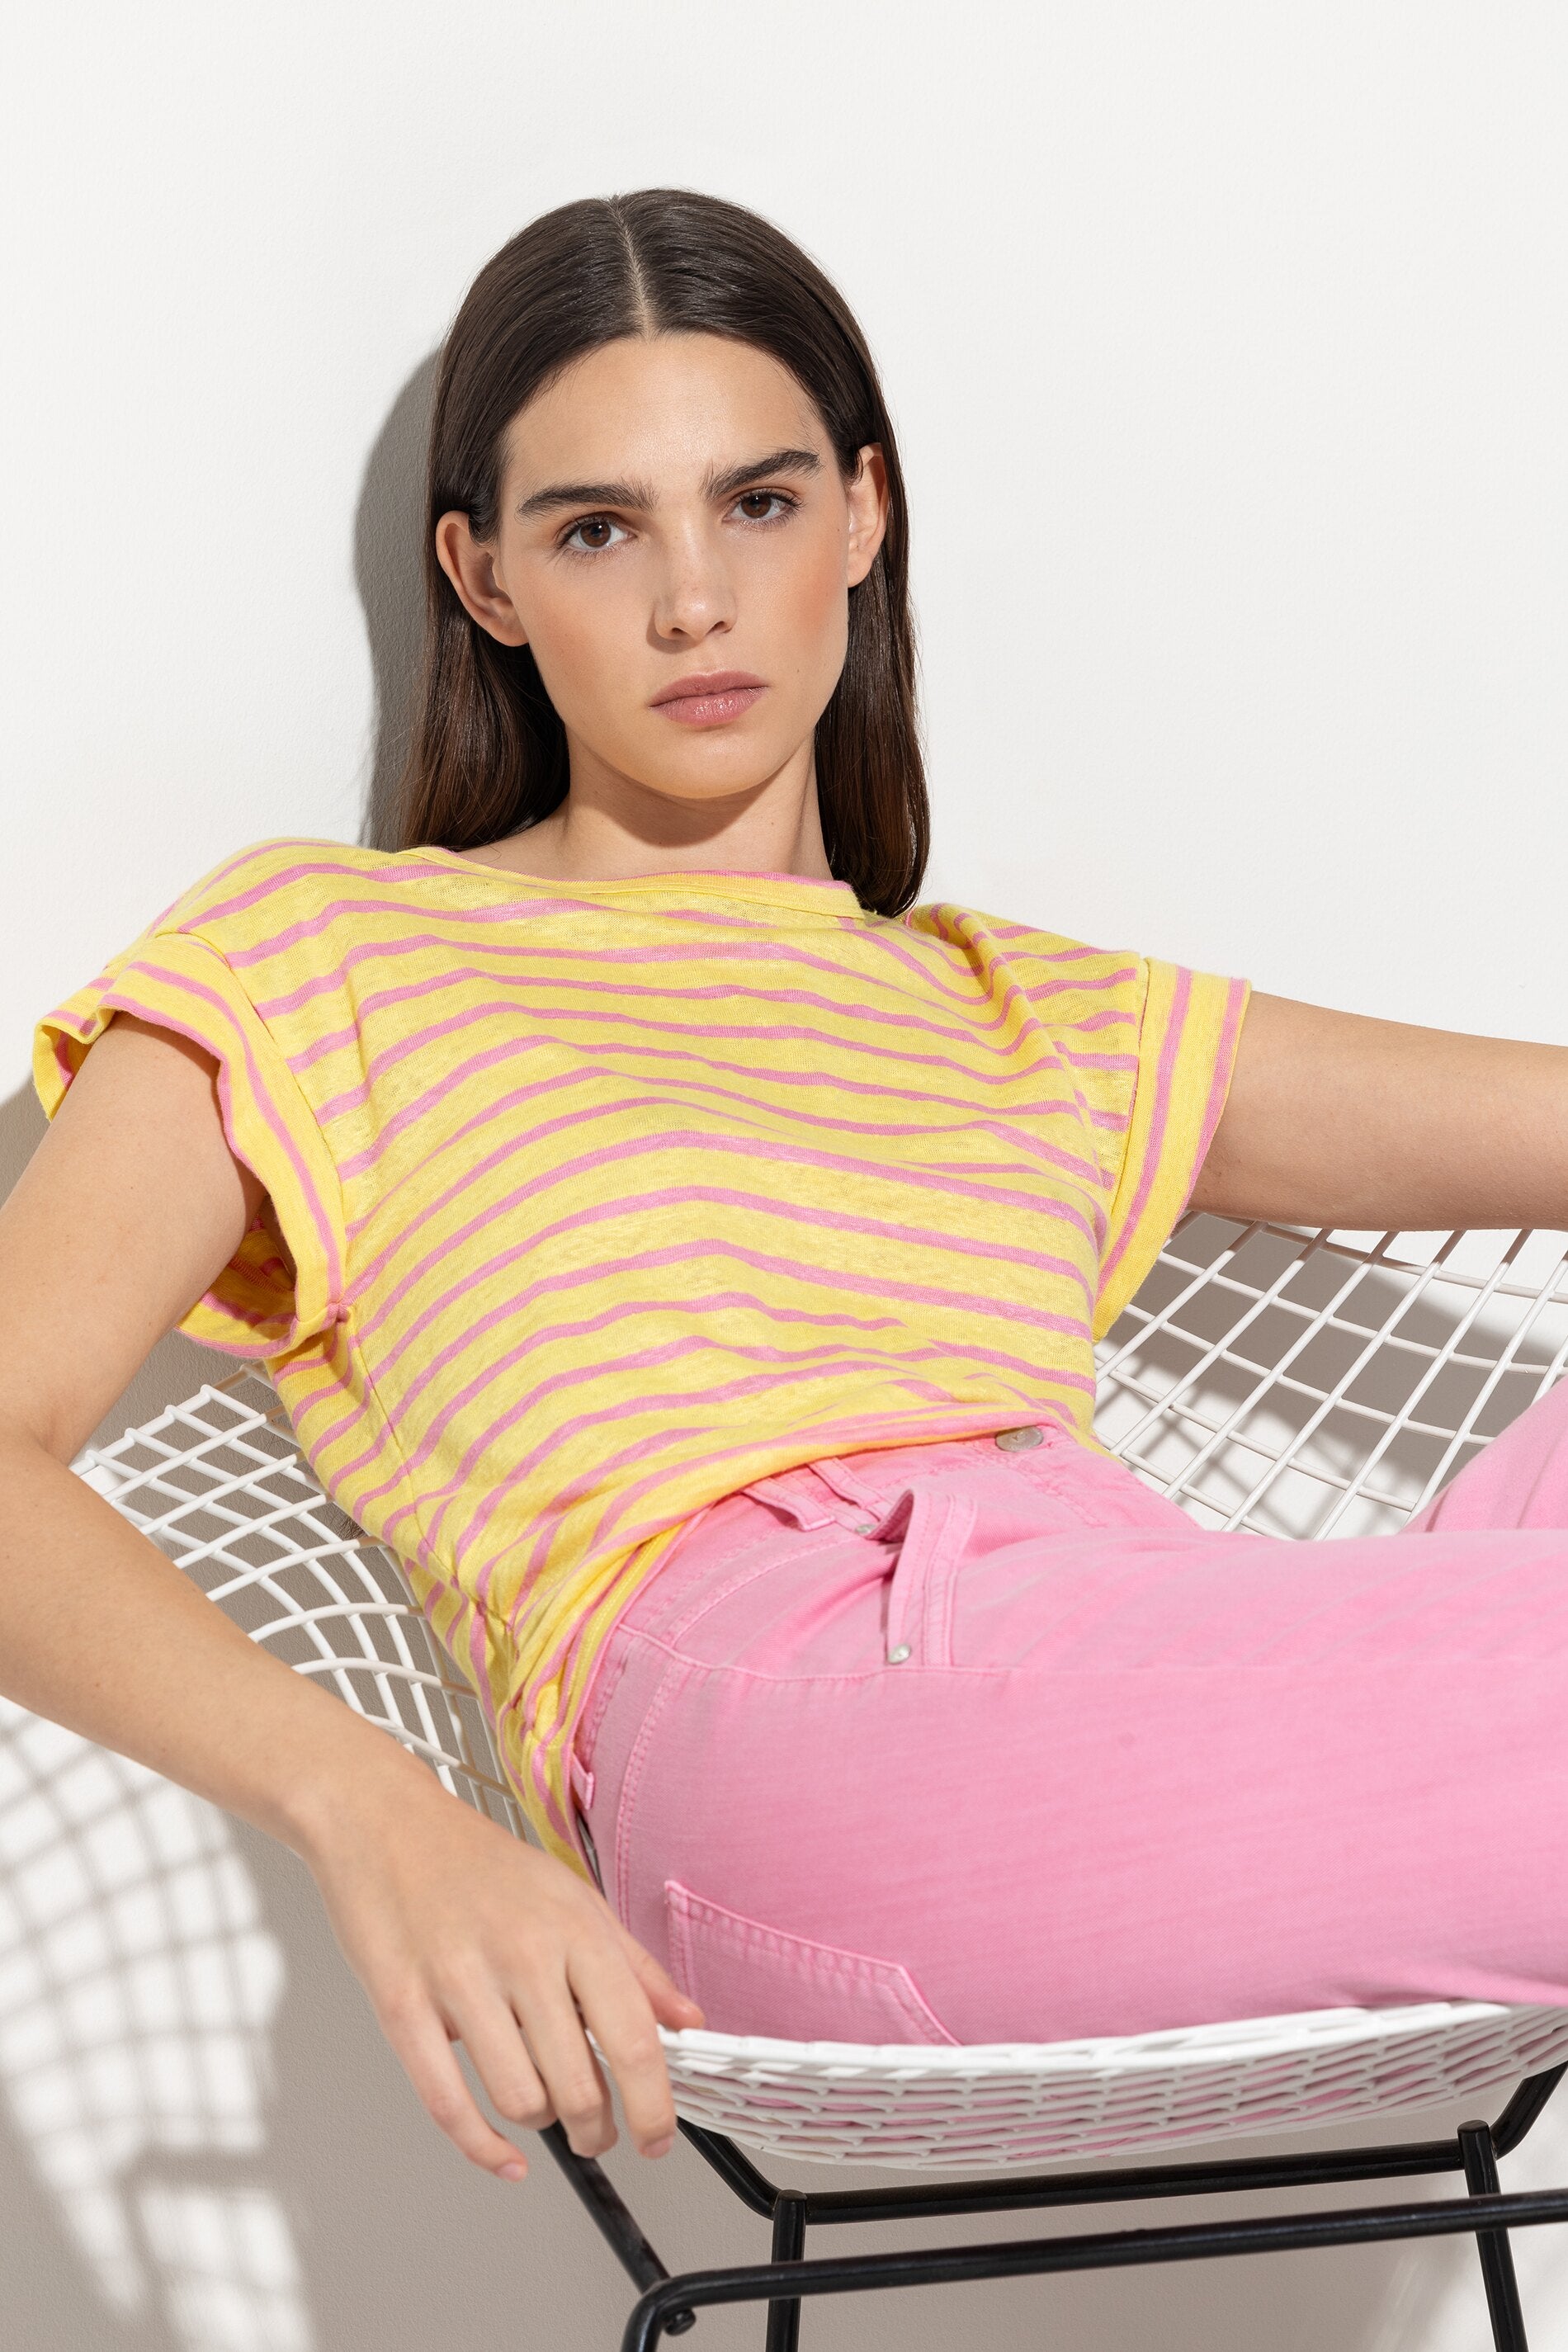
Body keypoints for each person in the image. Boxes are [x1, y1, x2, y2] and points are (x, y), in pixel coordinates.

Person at [2, 190, 1566, 2195]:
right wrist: (374, 1810)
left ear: (860, 516)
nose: (692, 602)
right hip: (783, 1719)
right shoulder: (329, 950)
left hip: (1126, 1632)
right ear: (483, 580)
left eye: (755, 504)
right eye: (597, 530)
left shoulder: (1022, 1005)